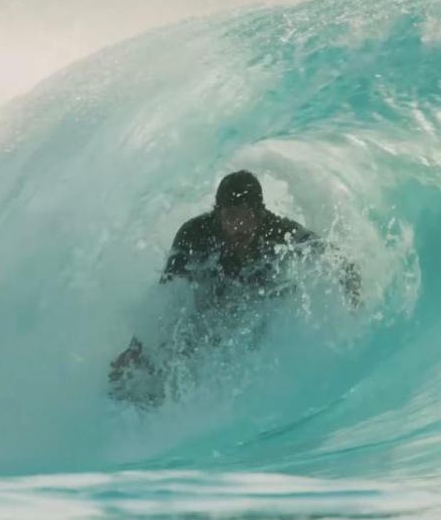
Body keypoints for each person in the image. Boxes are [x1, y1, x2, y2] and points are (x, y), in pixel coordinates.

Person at [108, 170, 360, 407]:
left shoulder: (279, 231)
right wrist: (136, 348)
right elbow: (166, 295)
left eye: (245, 216)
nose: (238, 225)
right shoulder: (194, 234)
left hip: (261, 306)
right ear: (218, 214)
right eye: (230, 216)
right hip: (211, 304)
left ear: (260, 214)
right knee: (164, 356)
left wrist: (352, 300)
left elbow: (338, 262)